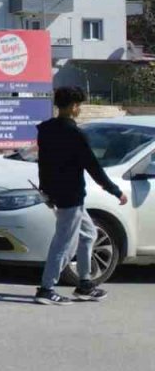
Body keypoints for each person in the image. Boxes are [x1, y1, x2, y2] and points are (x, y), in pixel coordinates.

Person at [34, 86, 127, 305]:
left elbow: (43, 165)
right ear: (74, 106)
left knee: (89, 234)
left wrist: (45, 189)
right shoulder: (75, 133)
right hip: (71, 195)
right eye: (79, 106)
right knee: (64, 243)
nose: (79, 110)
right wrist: (115, 191)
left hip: (58, 193)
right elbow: (93, 167)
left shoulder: (46, 130)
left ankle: (84, 284)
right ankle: (46, 289)